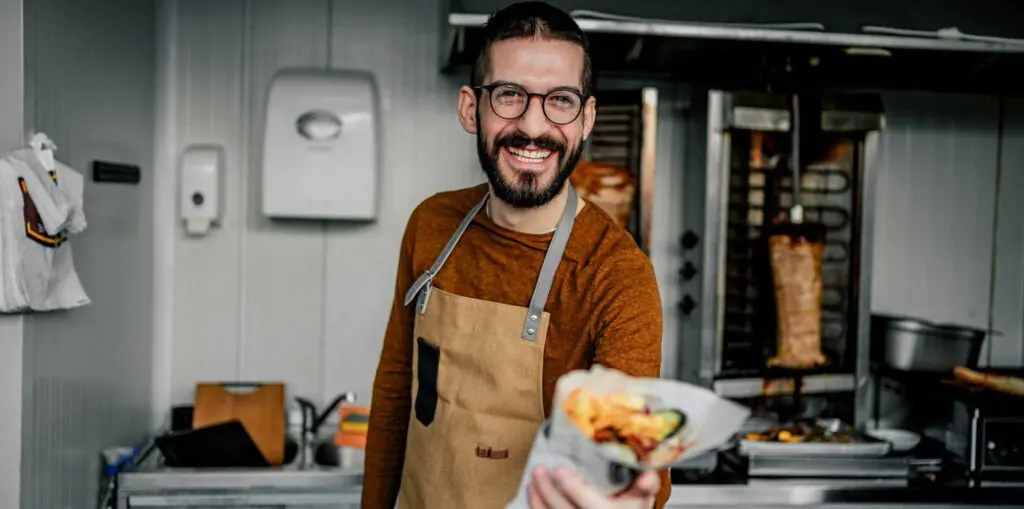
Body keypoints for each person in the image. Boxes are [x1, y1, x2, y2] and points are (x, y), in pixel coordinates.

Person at [362, 2, 670, 508]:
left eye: (562, 100)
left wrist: (625, 490)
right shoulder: (431, 226)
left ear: (587, 117)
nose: (533, 125)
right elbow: (396, 393)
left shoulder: (616, 276)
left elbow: (633, 469)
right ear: (470, 108)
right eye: (508, 95)